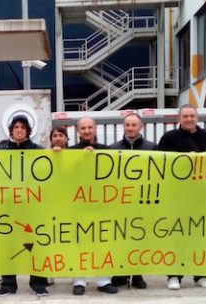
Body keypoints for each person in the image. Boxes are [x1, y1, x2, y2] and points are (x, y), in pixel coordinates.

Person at [157, 105, 206, 290]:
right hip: (176, 197)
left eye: (192, 115)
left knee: (199, 236)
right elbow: (160, 164)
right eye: (185, 116)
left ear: (197, 117)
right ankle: (174, 275)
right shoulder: (169, 138)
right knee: (176, 236)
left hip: (201, 197)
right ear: (179, 118)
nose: (189, 119)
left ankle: (200, 275)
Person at [0, 115, 49, 297]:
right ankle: (8, 284)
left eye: (22, 127)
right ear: (11, 130)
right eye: (16, 127)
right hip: (9, 207)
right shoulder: (1, 151)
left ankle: (38, 282)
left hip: (32, 207)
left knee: (35, 244)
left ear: (27, 130)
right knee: (8, 246)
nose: (19, 130)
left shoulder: (38, 151)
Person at [67, 117, 118, 295]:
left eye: (90, 127)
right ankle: (79, 280)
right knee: (79, 242)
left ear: (95, 129)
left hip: (101, 205)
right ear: (78, 131)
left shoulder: (106, 150)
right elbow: (65, 176)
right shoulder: (70, 152)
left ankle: (103, 280)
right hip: (78, 205)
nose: (87, 131)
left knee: (102, 241)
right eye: (83, 128)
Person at [109, 113, 155, 290]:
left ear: (140, 127)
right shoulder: (113, 148)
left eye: (134, 125)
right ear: (124, 127)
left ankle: (137, 275)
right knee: (120, 237)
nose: (130, 128)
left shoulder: (152, 148)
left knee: (139, 237)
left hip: (143, 201)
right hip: (119, 201)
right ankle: (120, 272)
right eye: (127, 125)